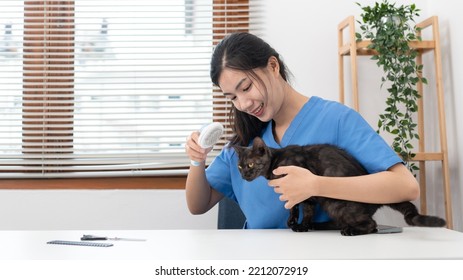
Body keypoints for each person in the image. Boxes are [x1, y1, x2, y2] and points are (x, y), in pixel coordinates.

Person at [184, 32, 419, 229]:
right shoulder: (245, 143)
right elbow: (198, 205)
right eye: (233, 97)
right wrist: (197, 160)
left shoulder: (336, 119)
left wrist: (316, 185)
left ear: (273, 66)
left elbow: (405, 186)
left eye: (246, 87)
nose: (243, 104)